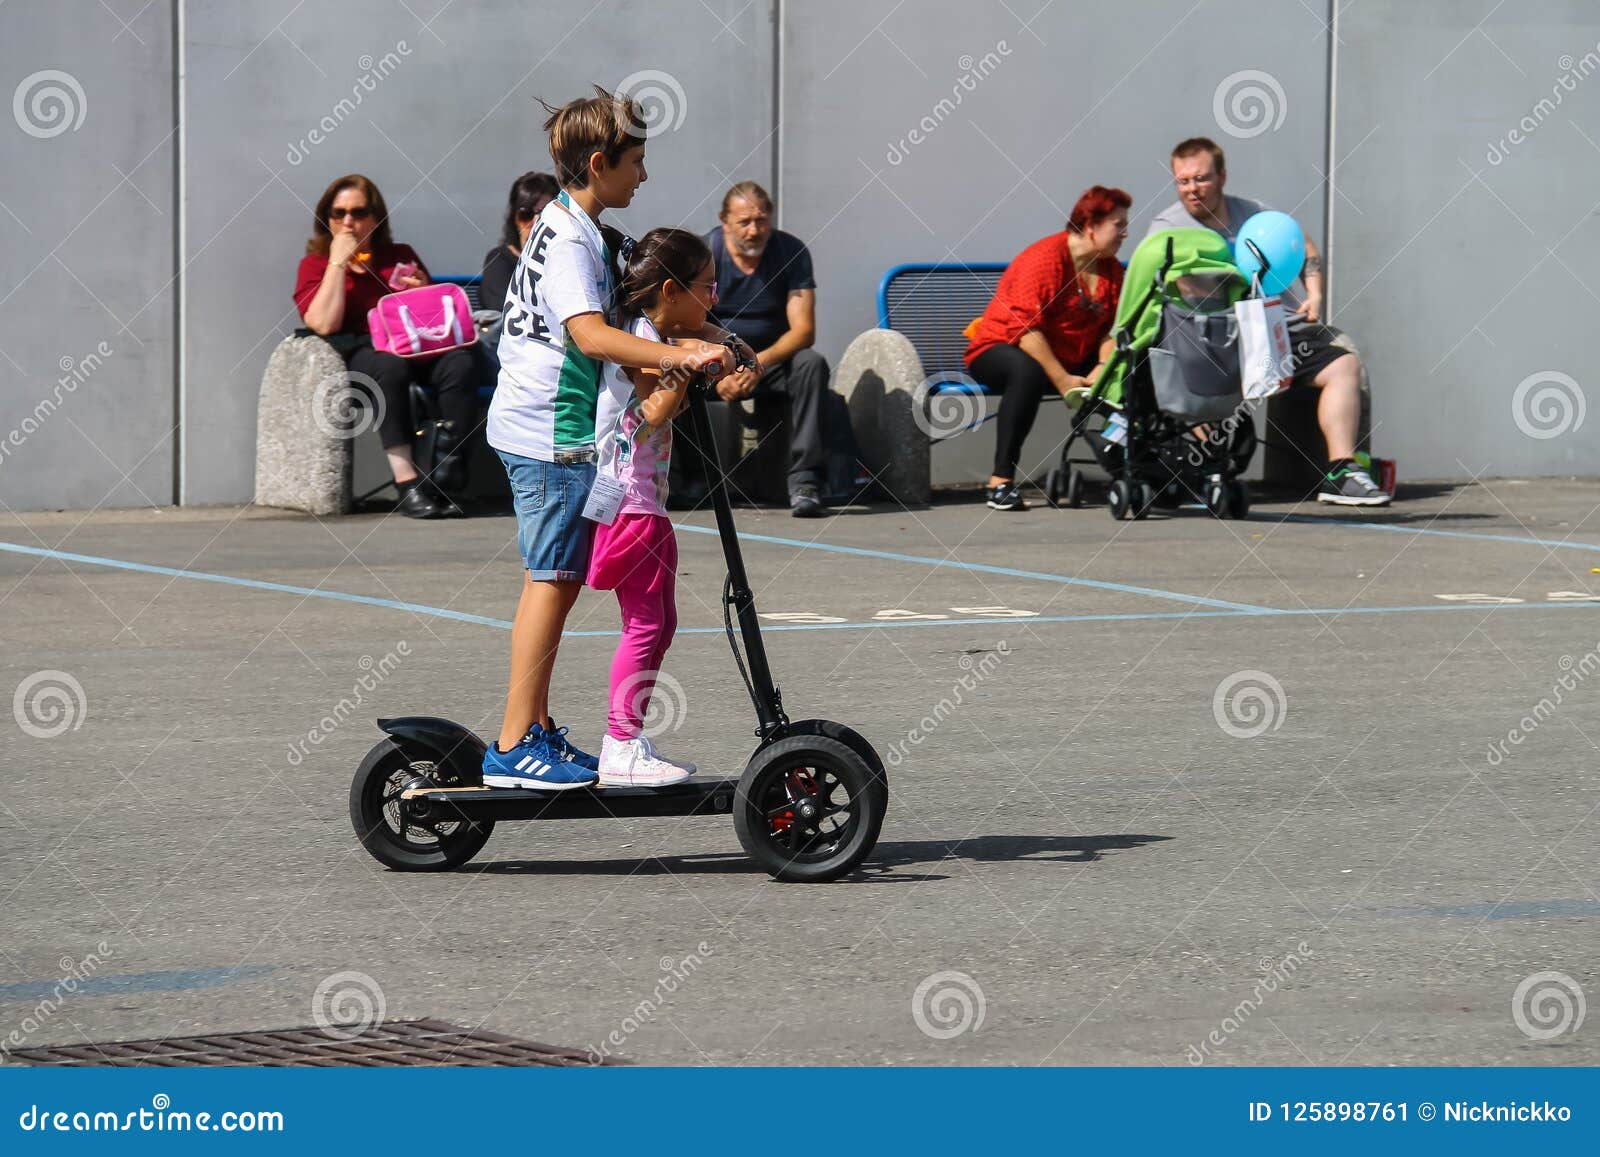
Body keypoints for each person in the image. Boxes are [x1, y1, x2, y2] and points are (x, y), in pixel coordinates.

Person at [480, 88, 732, 793]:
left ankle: (534, 728)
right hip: (547, 433)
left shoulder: (580, 229)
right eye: (637, 161)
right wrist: (676, 359)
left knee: (555, 581)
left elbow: (647, 297)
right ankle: (512, 743)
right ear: (599, 162)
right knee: (551, 582)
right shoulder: (566, 240)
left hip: (550, 429)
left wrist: (713, 339)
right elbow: (588, 333)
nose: (644, 176)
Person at [1147, 136, 1388, 506]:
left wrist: (1315, 293)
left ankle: (1342, 472)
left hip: (1268, 331)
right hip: (1212, 341)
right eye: (1183, 181)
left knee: (1343, 364)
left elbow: (1302, 245)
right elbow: (1178, 287)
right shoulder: (1167, 229)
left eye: (1201, 178)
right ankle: (1203, 467)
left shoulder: (1253, 214)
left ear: (1223, 176)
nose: (1192, 189)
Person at [588, 228, 717, 786]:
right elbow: (658, 410)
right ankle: (619, 745)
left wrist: (711, 350)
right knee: (644, 623)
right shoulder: (639, 338)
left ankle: (629, 736)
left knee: (660, 622)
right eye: (706, 287)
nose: (713, 298)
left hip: (647, 502)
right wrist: (688, 365)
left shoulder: (650, 331)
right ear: (670, 291)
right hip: (628, 503)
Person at [293, 173, 477, 518]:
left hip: (412, 347)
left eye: (359, 212)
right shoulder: (315, 265)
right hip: (359, 353)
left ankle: (444, 476)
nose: (348, 221)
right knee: (388, 367)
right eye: (338, 213)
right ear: (326, 219)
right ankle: (407, 483)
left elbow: (431, 321)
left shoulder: (398, 255)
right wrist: (337, 262)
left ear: (376, 218)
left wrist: (421, 291)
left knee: (460, 364)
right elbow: (323, 323)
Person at [964, 185, 1131, 511]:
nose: (1125, 233)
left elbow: (1112, 328)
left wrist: (1102, 367)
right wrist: (1063, 380)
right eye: (1118, 224)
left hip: (1068, 357)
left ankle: (1136, 469)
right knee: (1027, 371)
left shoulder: (1110, 268)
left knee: (1133, 368)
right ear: (1091, 226)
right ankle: (1000, 482)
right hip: (1001, 347)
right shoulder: (1044, 259)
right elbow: (1027, 330)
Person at [697, 181, 831, 517]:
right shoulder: (703, 255)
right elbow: (684, 326)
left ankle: (804, 483)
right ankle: (692, 482)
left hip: (770, 363)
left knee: (812, 364)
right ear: (724, 221)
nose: (754, 230)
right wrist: (719, 366)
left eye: (761, 221)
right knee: (670, 366)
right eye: (744, 222)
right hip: (715, 360)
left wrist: (758, 364)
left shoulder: (791, 251)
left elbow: (804, 331)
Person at [480, 171, 559, 312]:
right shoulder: (499, 259)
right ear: (514, 218)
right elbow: (505, 307)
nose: (535, 224)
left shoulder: (568, 257)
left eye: (546, 215)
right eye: (526, 215)